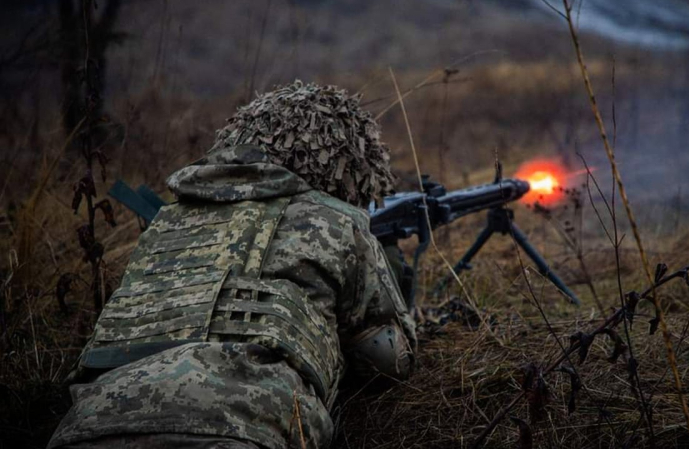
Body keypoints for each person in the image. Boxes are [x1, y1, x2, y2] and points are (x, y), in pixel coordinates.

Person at [48, 81, 417, 449]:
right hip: (240, 429)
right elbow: (387, 361)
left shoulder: (165, 224)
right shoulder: (334, 221)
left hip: (88, 427)